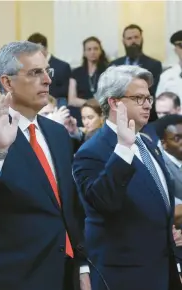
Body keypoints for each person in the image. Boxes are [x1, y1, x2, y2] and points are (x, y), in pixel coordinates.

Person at [0, 41, 89, 290]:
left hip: (63, 273)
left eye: (47, 71)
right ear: (7, 83)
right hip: (11, 277)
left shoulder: (58, 134)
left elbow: (70, 206)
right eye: (35, 72)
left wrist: (82, 265)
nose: (47, 80)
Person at [73, 65, 182, 290]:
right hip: (123, 275)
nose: (147, 105)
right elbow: (103, 202)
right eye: (139, 98)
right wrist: (123, 149)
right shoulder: (92, 151)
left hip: (161, 269)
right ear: (114, 102)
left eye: (148, 98)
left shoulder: (148, 143)